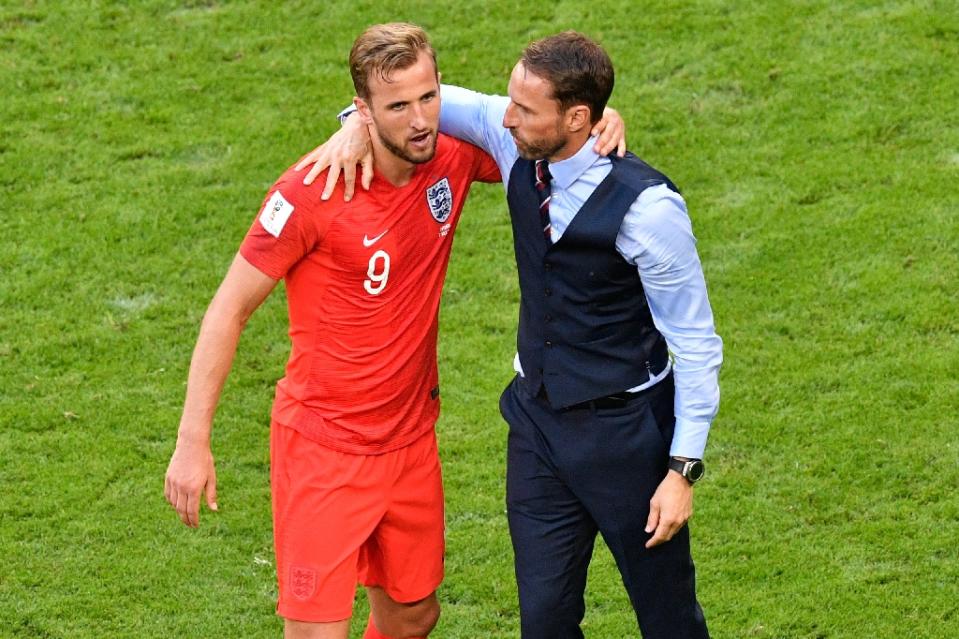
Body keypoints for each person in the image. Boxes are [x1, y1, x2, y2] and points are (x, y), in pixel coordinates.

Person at [301, 31, 723, 639]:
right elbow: (417, 102)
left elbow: (696, 341)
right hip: (537, 431)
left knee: (668, 620)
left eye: (525, 109)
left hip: (628, 437)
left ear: (577, 119)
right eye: (509, 101)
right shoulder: (514, 139)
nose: (505, 117)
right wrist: (351, 125)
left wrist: (682, 471)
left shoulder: (649, 211)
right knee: (545, 623)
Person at [162, 23, 506, 639]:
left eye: (429, 97)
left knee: (414, 614)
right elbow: (228, 309)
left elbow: (537, 133)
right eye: (397, 106)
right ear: (364, 111)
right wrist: (193, 441)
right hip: (324, 451)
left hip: (409, 442)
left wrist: (601, 121)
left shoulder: (451, 158)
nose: (421, 119)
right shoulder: (312, 190)